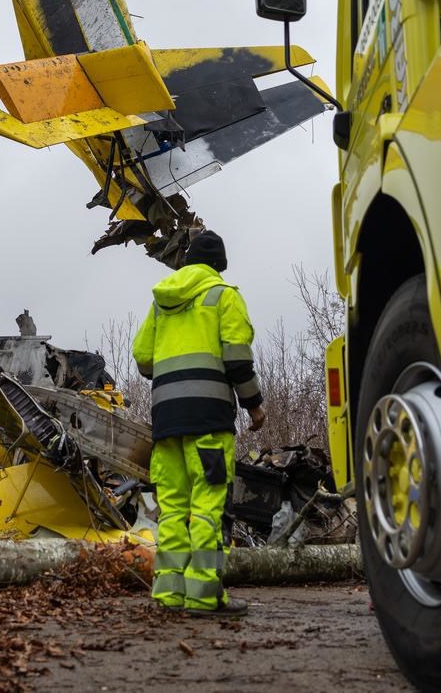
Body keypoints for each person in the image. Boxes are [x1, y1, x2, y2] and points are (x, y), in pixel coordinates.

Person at [132, 229, 264, 617]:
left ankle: (170, 595)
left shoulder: (161, 303)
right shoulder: (224, 296)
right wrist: (254, 405)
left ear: (189, 262)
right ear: (219, 266)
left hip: (167, 421)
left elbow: (143, 359)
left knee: (172, 509)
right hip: (208, 418)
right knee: (208, 507)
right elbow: (237, 358)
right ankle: (205, 597)